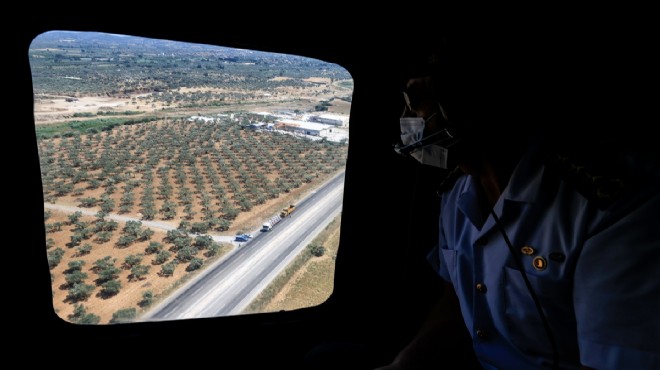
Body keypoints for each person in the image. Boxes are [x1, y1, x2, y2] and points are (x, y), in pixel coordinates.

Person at [380, 33, 660, 370]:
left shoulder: (611, 206)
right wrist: (405, 364)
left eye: (416, 101)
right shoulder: (457, 195)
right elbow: (456, 296)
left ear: (460, 102)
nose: (408, 117)